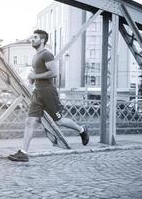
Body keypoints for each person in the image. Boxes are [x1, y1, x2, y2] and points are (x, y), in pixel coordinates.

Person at [8, 29, 89, 162]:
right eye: (32, 37)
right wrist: (32, 79)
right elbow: (39, 73)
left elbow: (54, 73)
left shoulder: (47, 54)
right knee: (30, 121)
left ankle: (81, 129)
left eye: (35, 37)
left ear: (42, 40)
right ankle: (23, 153)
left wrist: (35, 76)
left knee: (59, 121)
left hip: (48, 92)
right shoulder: (35, 56)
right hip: (38, 92)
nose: (32, 39)